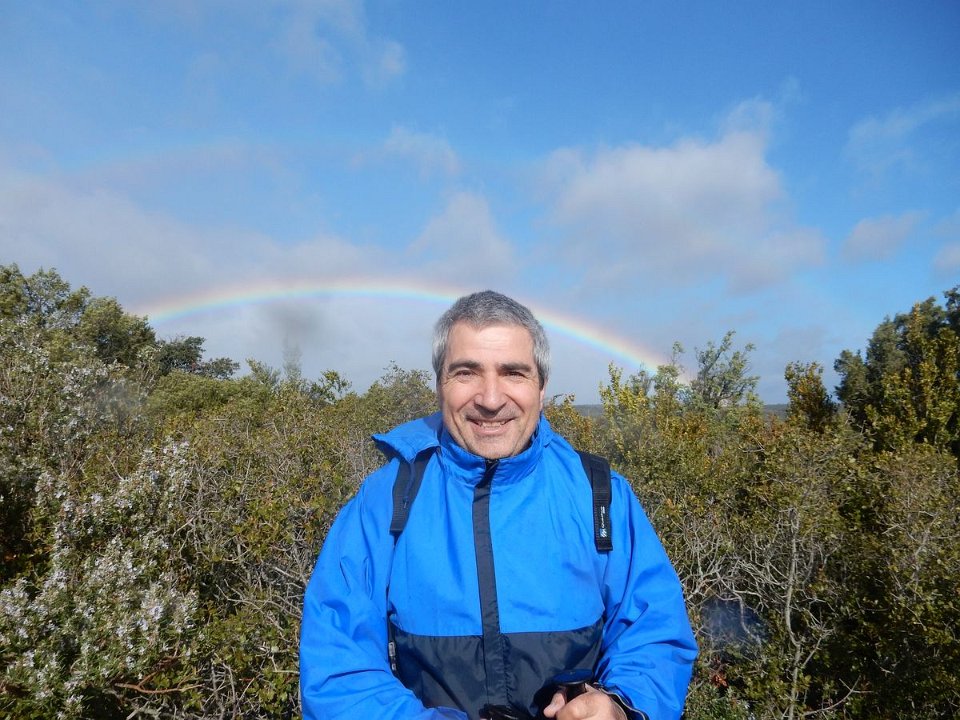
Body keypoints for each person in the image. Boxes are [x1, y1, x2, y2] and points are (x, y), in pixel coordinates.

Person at [300, 291, 697, 720]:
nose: (490, 399)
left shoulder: (601, 494)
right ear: (439, 385)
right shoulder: (384, 500)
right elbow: (338, 665)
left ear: (541, 387)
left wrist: (619, 706)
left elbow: (654, 634)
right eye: (466, 372)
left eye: (513, 373)